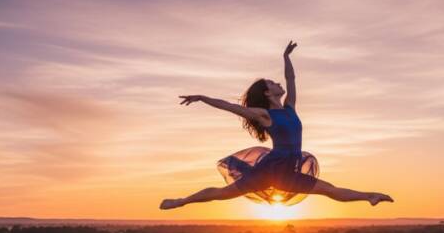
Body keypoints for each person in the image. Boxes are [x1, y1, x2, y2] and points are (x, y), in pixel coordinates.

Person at [160, 41, 394, 210]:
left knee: (329, 190)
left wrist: (286, 57)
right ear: (267, 93)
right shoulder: (265, 115)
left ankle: (370, 196)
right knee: (222, 194)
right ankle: (181, 201)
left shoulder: (290, 107)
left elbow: (291, 79)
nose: (278, 82)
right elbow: (230, 107)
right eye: (272, 83)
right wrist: (202, 97)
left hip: (289, 172)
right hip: (270, 170)